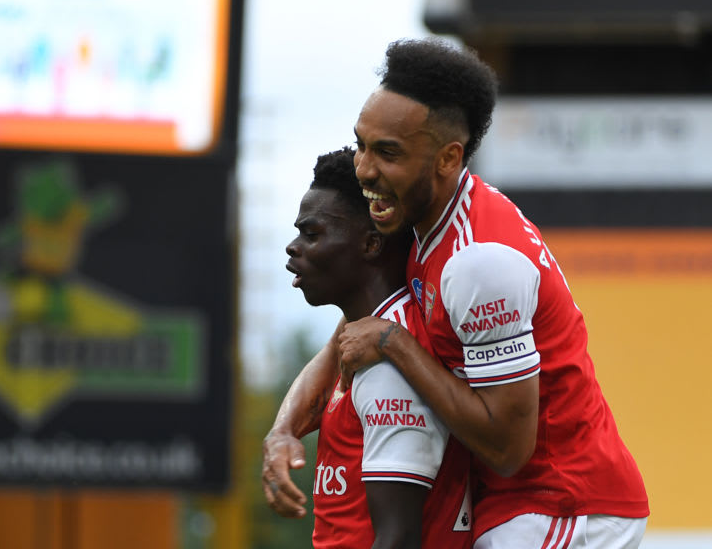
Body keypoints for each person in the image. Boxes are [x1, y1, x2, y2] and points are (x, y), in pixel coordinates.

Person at [263, 38, 649, 548]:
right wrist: (284, 428)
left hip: (565, 505)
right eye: (362, 144)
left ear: (448, 158)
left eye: (388, 153)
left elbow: (510, 449)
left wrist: (394, 344)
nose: (365, 170)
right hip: (512, 503)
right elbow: (350, 338)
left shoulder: (479, 261)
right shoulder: (423, 223)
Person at [266, 146, 472, 548]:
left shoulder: (389, 368)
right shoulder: (364, 337)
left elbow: (397, 538)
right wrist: (281, 431)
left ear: (371, 245)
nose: (293, 247)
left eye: (312, 234)